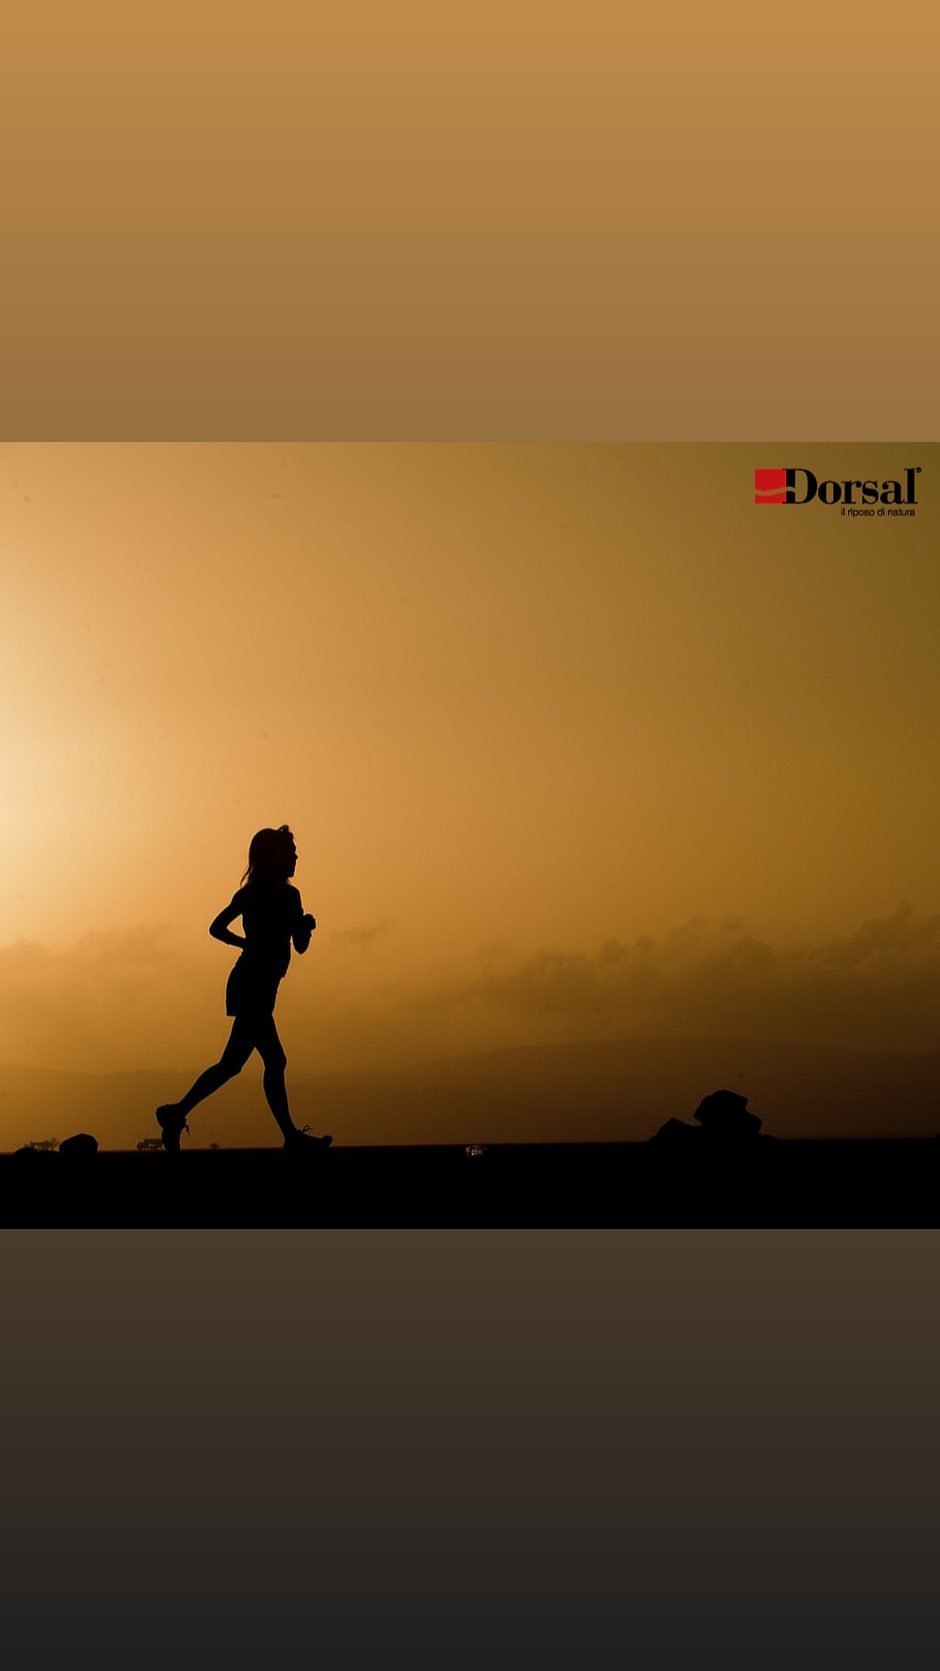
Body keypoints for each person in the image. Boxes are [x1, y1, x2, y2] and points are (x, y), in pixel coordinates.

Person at [155, 825, 332, 1154]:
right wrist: (248, 944)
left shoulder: (291, 897)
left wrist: (304, 927)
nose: (295, 858)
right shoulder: (252, 895)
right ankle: (291, 1136)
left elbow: (299, 946)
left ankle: (176, 1112)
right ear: (273, 857)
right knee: (274, 1060)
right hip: (251, 984)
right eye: (290, 853)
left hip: (264, 986)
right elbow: (216, 927)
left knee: (232, 1064)